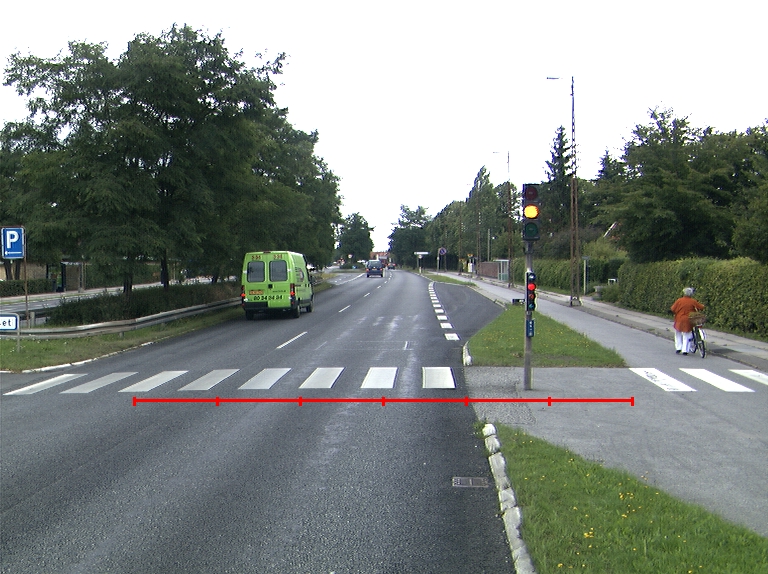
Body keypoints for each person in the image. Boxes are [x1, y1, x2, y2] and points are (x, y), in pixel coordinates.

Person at [670, 287, 705, 355]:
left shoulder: (679, 300)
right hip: (688, 319)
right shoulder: (693, 301)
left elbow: (673, 309)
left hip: (679, 319)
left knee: (678, 333)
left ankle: (678, 348)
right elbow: (701, 307)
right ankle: (685, 350)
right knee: (687, 334)